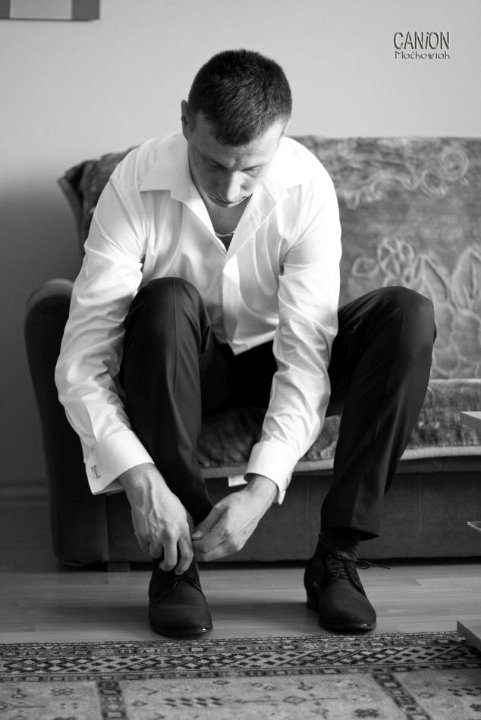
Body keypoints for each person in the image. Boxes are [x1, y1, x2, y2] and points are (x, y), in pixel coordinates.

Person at [55, 49, 435, 638]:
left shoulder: (307, 186)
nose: (231, 188)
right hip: (181, 364)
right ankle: (176, 564)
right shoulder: (131, 183)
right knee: (166, 299)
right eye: (213, 164)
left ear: (281, 137)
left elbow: (306, 354)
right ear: (186, 120)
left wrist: (261, 490)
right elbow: (83, 360)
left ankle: (336, 557)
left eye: (251, 169)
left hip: (272, 356)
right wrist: (141, 481)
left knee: (407, 315)